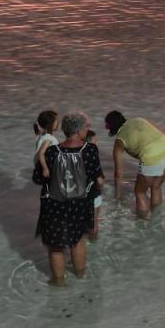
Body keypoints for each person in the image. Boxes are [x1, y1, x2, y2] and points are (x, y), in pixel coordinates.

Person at [38, 112, 103, 286]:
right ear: (80, 130)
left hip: (53, 205)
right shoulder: (90, 150)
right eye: (87, 127)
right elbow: (99, 179)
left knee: (55, 246)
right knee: (78, 241)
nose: (87, 129)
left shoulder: (51, 151)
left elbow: (38, 179)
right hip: (80, 204)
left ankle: (58, 283)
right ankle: (81, 277)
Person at [105, 111, 165, 219]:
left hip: (152, 158)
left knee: (140, 193)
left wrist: (117, 197)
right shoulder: (139, 119)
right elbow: (161, 133)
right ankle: (156, 220)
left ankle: (141, 227)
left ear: (110, 126)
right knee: (156, 187)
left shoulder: (120, 140)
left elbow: (118, 173)